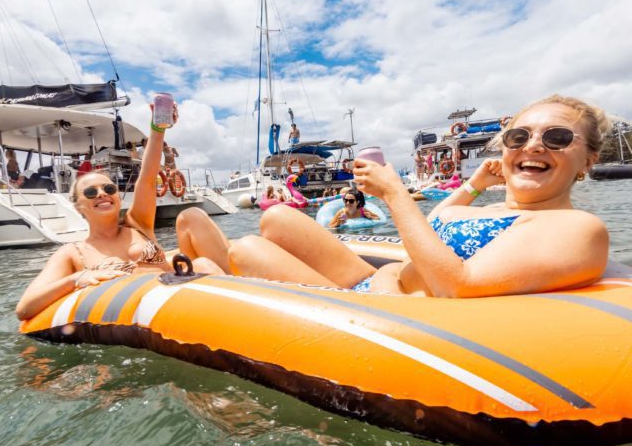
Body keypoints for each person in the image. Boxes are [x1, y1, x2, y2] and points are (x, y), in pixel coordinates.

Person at [226, 95, 610, 297]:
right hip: (376, 281)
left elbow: (459, 284)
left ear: (588, 161)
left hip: (374, 306)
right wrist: (474, 186)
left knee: (245, 250)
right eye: (519, 137)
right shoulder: (497, 207)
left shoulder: (576, 228)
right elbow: (433, 228)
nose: (534, 146)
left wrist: (395, 193)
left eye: (556, 137)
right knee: (275, 219)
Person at [16, 102, 230, 320]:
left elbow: (147, 179)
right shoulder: (73, 252)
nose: (101, 193)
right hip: (143, 318)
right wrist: (76, 278)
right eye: (90, 192)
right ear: (78, 205)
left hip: (183, 299)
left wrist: (158, 129)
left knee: (202, 257)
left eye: (109, 188)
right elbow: (24, 308)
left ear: (117, 197)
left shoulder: (137, 223)